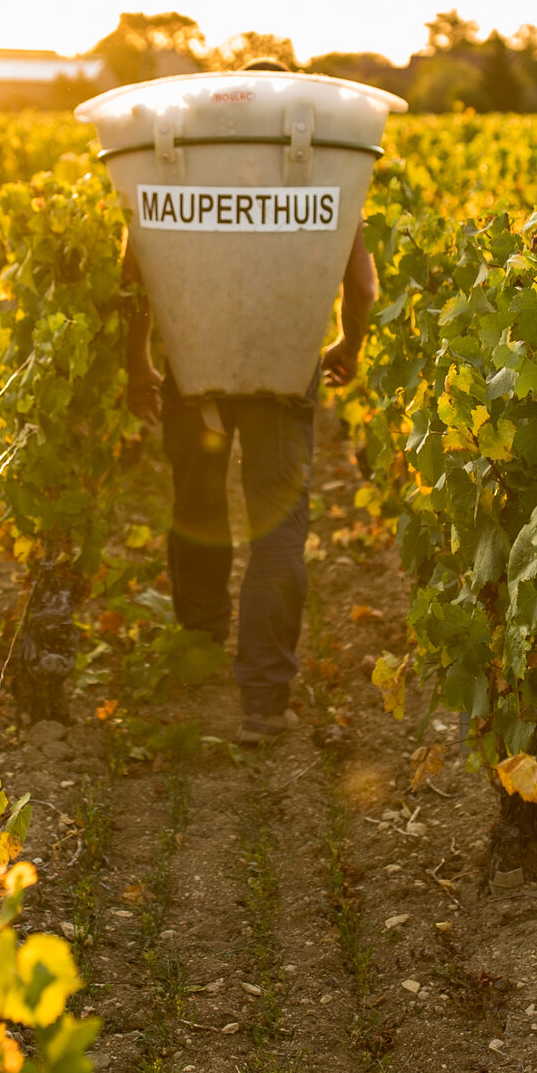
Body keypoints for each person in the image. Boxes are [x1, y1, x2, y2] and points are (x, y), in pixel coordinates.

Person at [119, 91, 380, 746]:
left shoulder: (180, 172)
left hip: (193, 368)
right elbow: (365, 285)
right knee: (278, 533)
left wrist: (137, 365)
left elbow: (134, 276)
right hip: (283, 371)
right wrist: (349, 344)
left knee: (198, 508)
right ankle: (263, 701)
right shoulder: (322, 175)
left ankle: (199, 651)